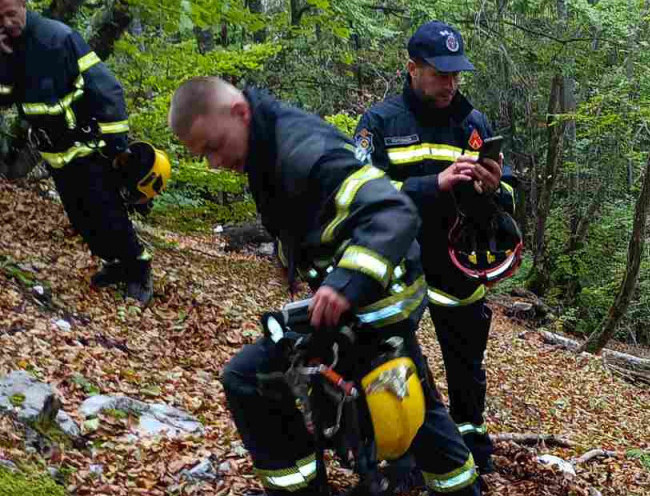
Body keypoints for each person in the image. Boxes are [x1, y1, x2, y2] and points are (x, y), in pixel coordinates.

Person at [168, 76, 481, 496]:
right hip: (354, 300)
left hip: (375, 303)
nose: (213, 162)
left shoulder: (304, 152)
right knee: (262, 379)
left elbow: (395, 212)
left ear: (240, 113)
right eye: (203, 154)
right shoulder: (265, 146)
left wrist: (344, 284)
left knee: (257, 377)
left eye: (214, 146)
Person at [354, 21, 517, 474]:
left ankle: (471, 445)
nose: (451, 84)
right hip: (396, 264)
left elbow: (507, 198)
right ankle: (397, 451)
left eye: (456, 74)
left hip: (458, 262)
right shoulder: (379, 123)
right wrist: (433, 184)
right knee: (391, 359)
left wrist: (493, 188)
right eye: (441, 74)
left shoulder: (473, 123)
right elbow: (359, 195)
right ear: (412, 69)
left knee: (467, 362)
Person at [0, 0, 153, 304]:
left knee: (107, 213)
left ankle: (138, 269)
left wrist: (117, 146)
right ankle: (114, 264)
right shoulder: (8, 50)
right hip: (55, 154)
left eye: (10, 13)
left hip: (87, 149)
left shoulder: (60, 38)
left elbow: (107, 88)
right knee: (81, 218)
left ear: (23, 4)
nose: (6, 22)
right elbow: (4, 98)